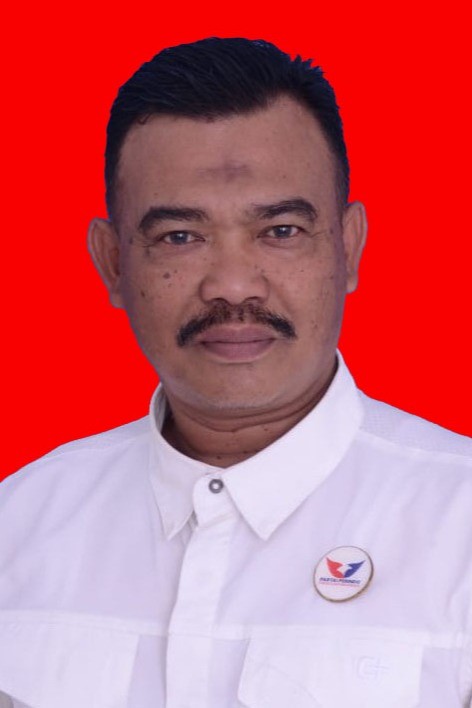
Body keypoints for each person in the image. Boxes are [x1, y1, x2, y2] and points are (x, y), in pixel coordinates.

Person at [0, 37, 471, 708]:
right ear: (112, 264)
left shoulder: (459, 525)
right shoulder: (19, 524)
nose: (232, 285)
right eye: (179, 237)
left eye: (280, 230)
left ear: (348, 247)